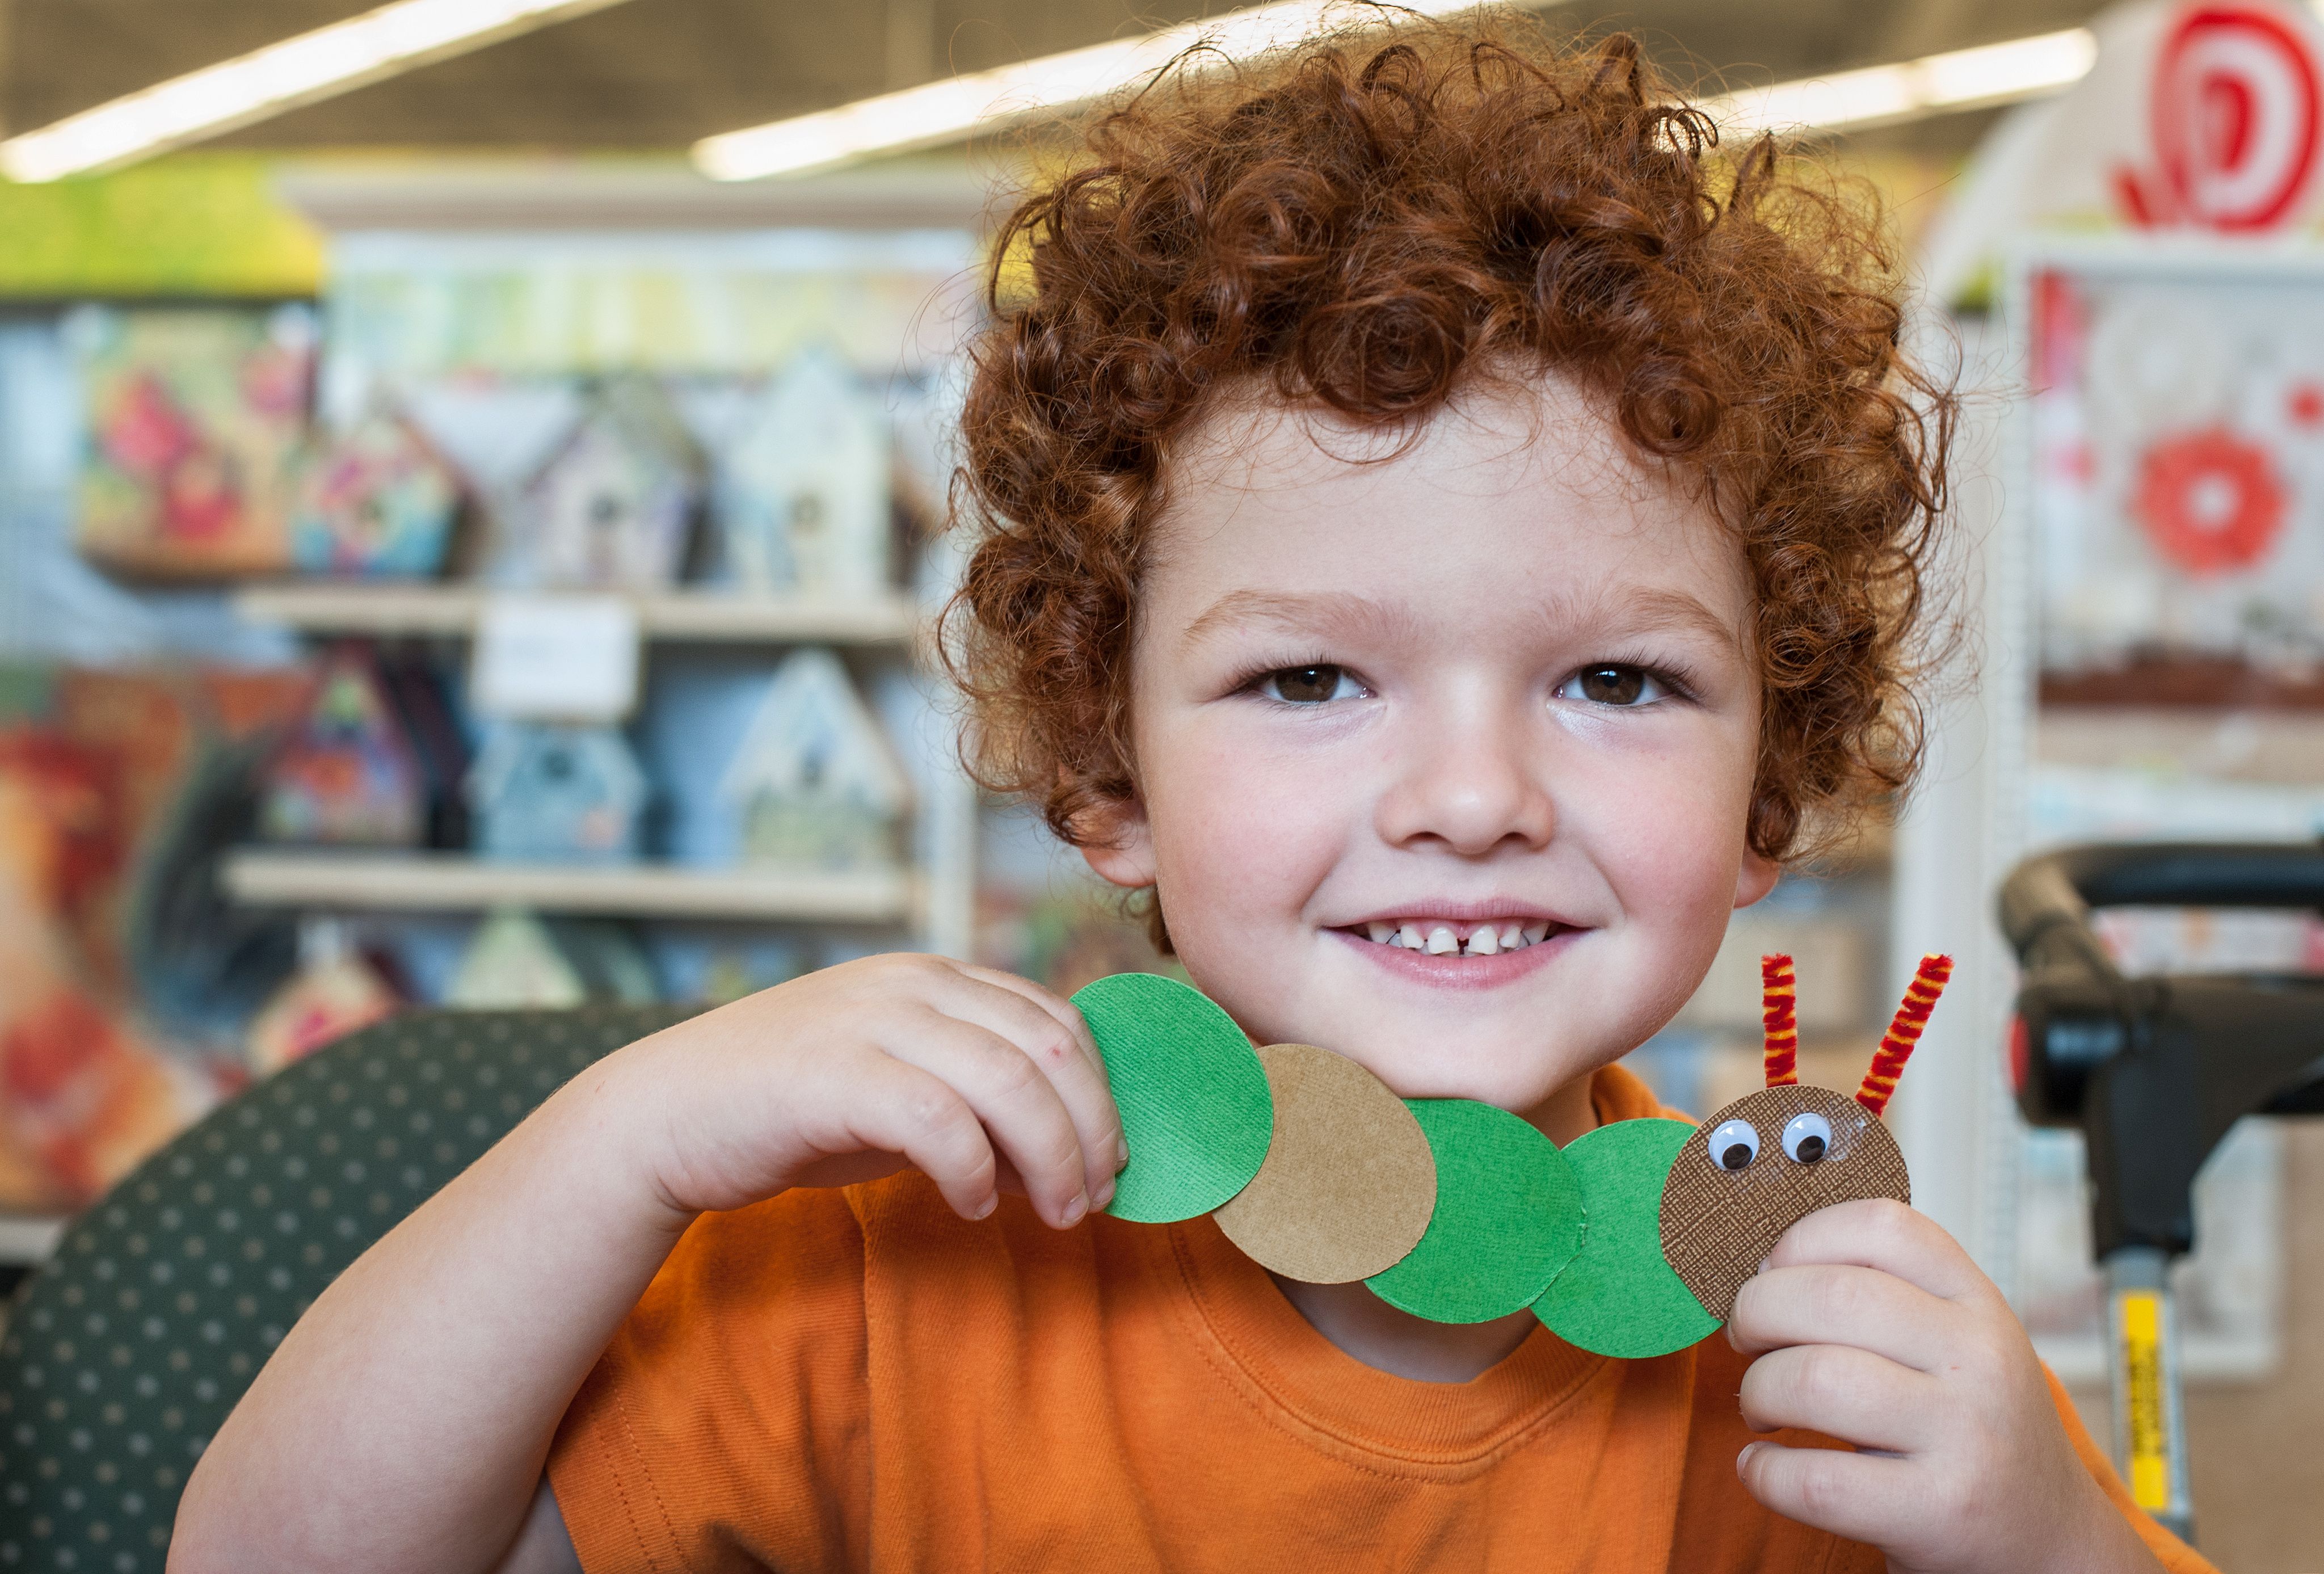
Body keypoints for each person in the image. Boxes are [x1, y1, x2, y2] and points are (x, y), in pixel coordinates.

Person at [171, 16, 2212, 1573]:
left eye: (1617, 679)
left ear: (1770, 784)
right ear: (1107, 764)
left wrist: (2057, 1540)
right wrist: (610, 1151)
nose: (1473, 794)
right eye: (1310, 676)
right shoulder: (888, 1262)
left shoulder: (1790, 1315)